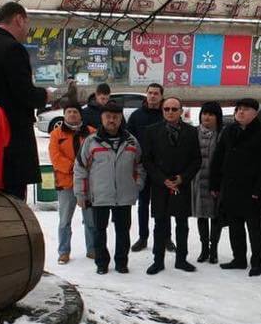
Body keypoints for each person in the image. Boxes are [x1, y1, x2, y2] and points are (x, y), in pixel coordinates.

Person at [0, 2, 51, 200]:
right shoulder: (13, 48)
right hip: (9, 145)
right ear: (19, 19)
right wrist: (46, 95)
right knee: (12, 207)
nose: (27, 30)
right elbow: (24, 93)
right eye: (27, 23)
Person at [73, 101, 145, 274]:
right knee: (99, 231)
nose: (111, 120)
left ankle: (121, 262)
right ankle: (102, 263)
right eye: (108, 117)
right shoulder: (91, 142)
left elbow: (140, 166)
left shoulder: (131, 141)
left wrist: (137, 186)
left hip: (124, 195)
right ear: (102, 118)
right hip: (100, 195)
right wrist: (81, 195)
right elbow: (80, 168)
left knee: (123, 231)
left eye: (115, 117)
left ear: (121, 119)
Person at [210, 98, 261, 277]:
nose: (240, 112)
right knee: (234, 226)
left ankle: (257, 262)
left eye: (245, 109)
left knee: (254, 228)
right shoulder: (229, 130)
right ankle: (239, 258)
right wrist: (215, 184)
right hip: (230, 188)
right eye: (238, 109)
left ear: (255, 113)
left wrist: (259, 189)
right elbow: (218, 158)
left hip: (252, 190)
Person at [141, 96, 201, 275]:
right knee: (160, 224)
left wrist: (182, 178)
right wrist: (162, 180)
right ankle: (157, 260)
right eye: (167, 109)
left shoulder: (191, 132)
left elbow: (196, 160)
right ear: (162, 111)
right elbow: (147, 160)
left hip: (181, 185)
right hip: (160, 186)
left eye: (174, 109)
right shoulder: (151, 131)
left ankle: (181, 259)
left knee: (182, 224)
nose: (170, 112)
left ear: (181, 111)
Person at [49, 101, 95, 264]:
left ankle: (92, 249)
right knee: (64, 221)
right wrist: (75, 167)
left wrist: (84, 170)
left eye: (75, 112)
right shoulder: (57, 134)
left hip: (87, 184)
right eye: (69, 112)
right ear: (64, 114)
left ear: (80, 114)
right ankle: (63, 251)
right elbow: (55, 157)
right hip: (66, 183)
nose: (72, 115)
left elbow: (95, 154)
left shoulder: (91, 132)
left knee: (90, 220)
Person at [128, 83, 167, 253]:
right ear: (146, 94)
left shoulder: (167, 114)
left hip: (163, 168)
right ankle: (143, 238)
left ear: (161, 96)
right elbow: (128, 140)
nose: (152, 96)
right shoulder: (136, 116)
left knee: (164, 205)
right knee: (143, 204)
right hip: (143, 167)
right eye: (150, 93)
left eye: (156, 93)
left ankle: (166, 238)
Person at [193, 102, 224, 264]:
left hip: (215, 183)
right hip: (198, 181)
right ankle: (204, 248)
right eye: (204, 113)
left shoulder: (222, 135)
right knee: (201, 216)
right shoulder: (194, 133)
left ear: (217, 118)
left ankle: (214, 250)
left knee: (216, 217)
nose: (207, 117)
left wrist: (218, 183)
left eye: (211, 114)